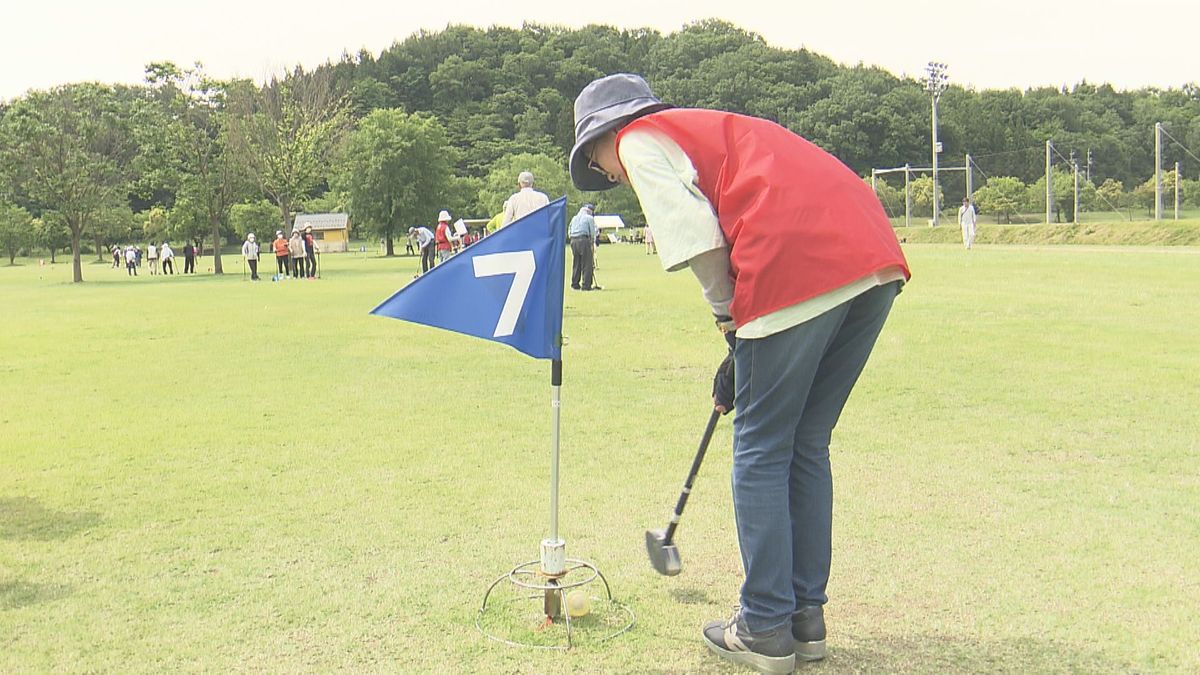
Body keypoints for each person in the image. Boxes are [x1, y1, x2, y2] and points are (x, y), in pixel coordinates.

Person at [570, 73, 910, 674]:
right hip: (873, 256)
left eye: (596, 160)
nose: (607, 174)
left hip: (796, 259)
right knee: (805, 442)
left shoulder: (639, 139)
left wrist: (732, 326)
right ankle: (805, 620)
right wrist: (742, 344)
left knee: (759, 450)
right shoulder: (710, 130)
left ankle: (763, 625)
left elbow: (698, 244)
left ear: (607, 135)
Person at [567, 204, 599, 291]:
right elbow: (592, 232)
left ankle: (575, 284)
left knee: (576, 263)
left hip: (573, 240)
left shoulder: (574, 218)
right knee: (587, 263)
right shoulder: (589, 218)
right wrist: (592, 242)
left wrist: (571, 237)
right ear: (590, 211)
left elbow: (569, 229)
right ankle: (586, 285)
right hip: (584, 240)